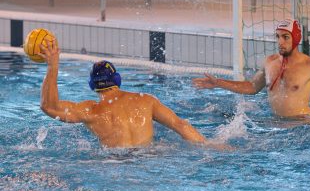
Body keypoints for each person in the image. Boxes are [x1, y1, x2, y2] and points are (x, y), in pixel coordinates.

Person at [39, 38, 209, 149]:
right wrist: (209, 146)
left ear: (92, 85)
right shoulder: (146, 101)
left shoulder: (91, 110)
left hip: (113, 164)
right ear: (117, 79)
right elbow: (181, 125)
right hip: (148, 160)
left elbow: (49, 107)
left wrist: (52, 66)